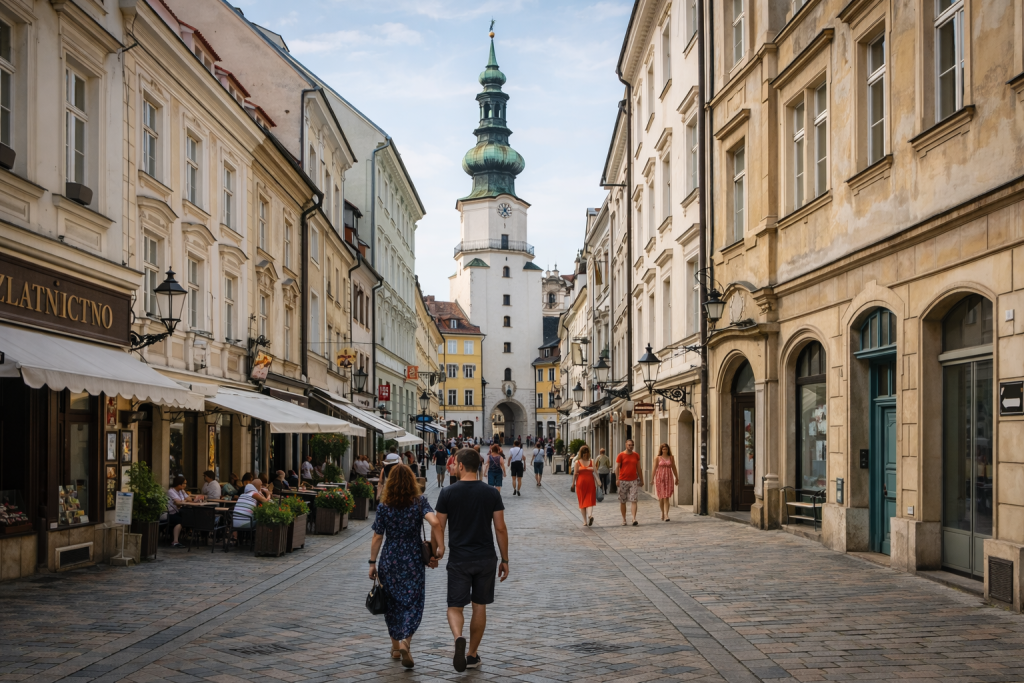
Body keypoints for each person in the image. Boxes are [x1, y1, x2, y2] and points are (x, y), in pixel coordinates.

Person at [434, 449, 509, 672]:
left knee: (455, 606)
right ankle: (472, 654)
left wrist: (437, 549)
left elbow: (438, 525)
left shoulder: (447, 493)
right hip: (485, 558)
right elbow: (501, 528)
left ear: (461, 466)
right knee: (479, 606)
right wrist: (504, 559)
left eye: (455, 463)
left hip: (459, 559)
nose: (453, 466)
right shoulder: (491, 493)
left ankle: (458, 637)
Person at [368, 464, 443, 669]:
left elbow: (377, 536)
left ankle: (394, 648)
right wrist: (439, 549)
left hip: (390, 557)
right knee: (412, 601)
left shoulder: (384, 506)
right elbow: (435, 523)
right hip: (412, 558)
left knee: (390, 601)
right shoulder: (419, 502)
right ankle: (405, 643)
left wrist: (372, 563)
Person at [615, 439, 644, 526]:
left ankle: (634, 518)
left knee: (634, 499)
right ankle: (624, 519)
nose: (631, 447)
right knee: (623, 501)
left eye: (632, 445)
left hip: (633, 480)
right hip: (623, 480)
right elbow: (617, 468)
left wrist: (641, 479)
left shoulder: (636, 455)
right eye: (629, 445)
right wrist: (617, 479)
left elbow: (639, 468)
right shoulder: (621, 455)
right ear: (626, 445)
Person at [166, 475, 197, 548]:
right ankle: (175, 541)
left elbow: (188, 499)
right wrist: (185, 500)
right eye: (184, 483)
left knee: (191, 517)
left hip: (180, 511)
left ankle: (186, 536)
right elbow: (178, 502)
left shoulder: (181, 491)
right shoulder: (171, 491)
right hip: (171, 513)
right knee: (180, 521)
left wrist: (186, 499)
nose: (185, 485)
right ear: (178, 483)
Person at [573, 446, 600, 526]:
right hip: (586, 483)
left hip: (583, 483)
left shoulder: (579, 462)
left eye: (586, 452)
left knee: (585, 501)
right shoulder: (588, 462)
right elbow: (595, 473)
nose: (586, 454)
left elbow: (575, 474)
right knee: (587, 501)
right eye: (585, 452)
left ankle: (586, 519)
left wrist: (572, 484)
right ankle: (589, 517)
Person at [654, 443, 680, 522]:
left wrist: (677, 477)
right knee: (661, 498)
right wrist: (652, 479)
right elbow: (654, 469)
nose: (664, 450)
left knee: (666, 497)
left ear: (668, 449)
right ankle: (662, 512)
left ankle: (666, 514)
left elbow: (674, 468)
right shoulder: (658, 458)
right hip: (660, 479)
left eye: (666, 449)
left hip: (669, 478)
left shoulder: (671, 458)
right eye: (663, 449)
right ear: (661, 450)